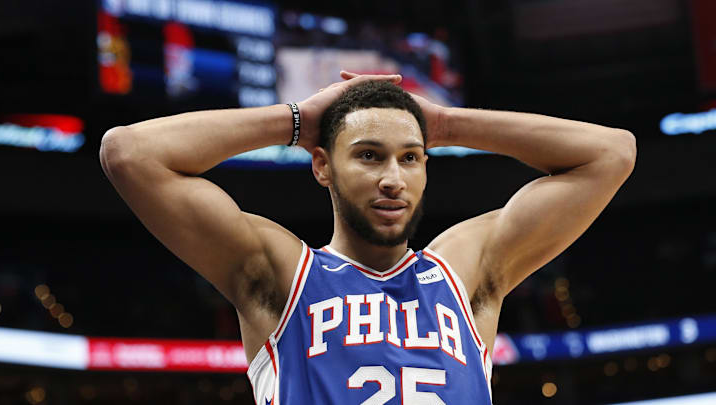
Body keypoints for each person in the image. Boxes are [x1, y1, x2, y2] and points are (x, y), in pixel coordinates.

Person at [100, 71, 636, 404]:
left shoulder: (465, 271)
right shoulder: (282, 275)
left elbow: (612, 153)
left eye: (410, 157)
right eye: (368, 155)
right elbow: (129, 153)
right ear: (322, 167)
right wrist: (298, 119)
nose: (392, 178)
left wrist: (444, 123)